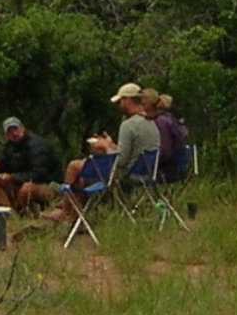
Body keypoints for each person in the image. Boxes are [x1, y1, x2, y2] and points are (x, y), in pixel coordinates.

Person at [52, 83, 160, 220]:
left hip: (124, 174)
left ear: (128, 100)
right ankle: (75, 214)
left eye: (121, 101)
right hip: (144, 173)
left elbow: (120, 161)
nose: (119, 105)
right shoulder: (151, 123)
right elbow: (129, 152)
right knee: (83, 174)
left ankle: (66, 212)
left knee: (74, 167)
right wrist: (111, 145)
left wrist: (105, 148)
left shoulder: (128, 125)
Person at [0, 116, 62, 212]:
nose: (14, 134)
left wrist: (12, 177)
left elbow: (39, 175)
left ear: (22, 128)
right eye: (10, 132)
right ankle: (8, 211)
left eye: (15, 129)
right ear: (6, 135)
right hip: (21, 181)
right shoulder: (10, 147)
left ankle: (18, 211)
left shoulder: (37, 145)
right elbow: (3, 163)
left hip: (47, 185)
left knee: (26, 188)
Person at [150, 90, 190, 182]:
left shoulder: (161, 121)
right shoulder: (174, 121)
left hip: (168, 168)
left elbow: (165, 152)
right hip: (179, 165)